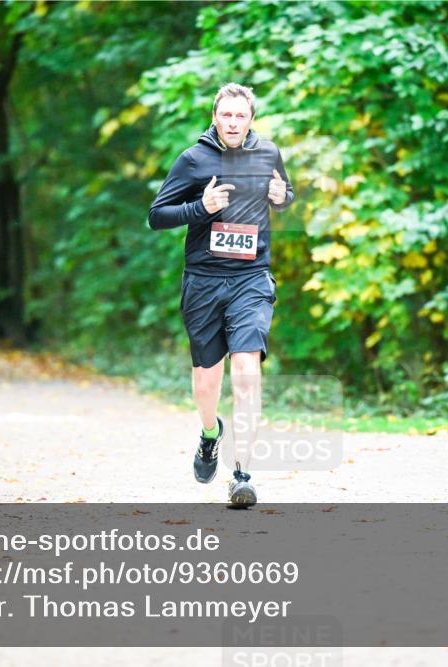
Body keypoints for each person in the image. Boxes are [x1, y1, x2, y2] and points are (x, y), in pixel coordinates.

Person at [148, 83, 294, 508]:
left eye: (240, 116)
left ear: (251, 119)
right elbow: (157, 216)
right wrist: (202, 208)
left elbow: (284, 195)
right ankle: (210, 433)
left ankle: (242, 475)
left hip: (251, 278)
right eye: (225, 115)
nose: (233, 123)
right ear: (215, 116)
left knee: (247, 371)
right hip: (204, 282)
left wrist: (282, 197)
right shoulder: (193, 160)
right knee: (206, 383)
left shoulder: (267, 154)